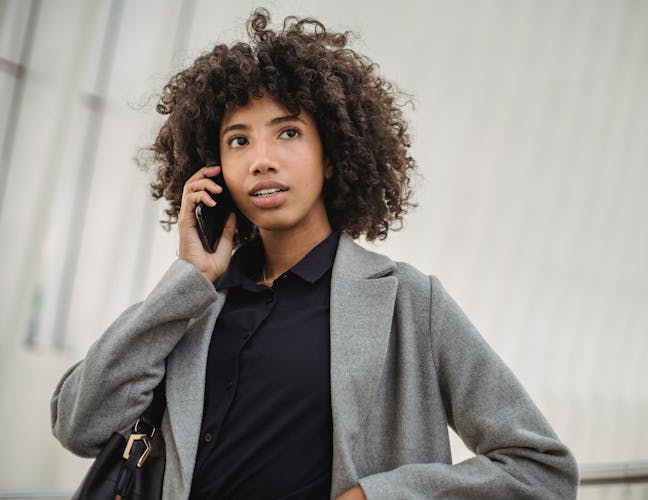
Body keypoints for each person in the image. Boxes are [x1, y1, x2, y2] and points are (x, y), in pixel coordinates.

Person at [51, 9, 578, 499]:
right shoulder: (193, 303)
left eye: (288, 133)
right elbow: (80, 424)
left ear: (333, 157)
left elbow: (540, 467)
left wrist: (379, 496)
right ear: (213, 169)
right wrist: (188, 279)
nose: (261, 160)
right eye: (238, 141)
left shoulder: (408, 303)